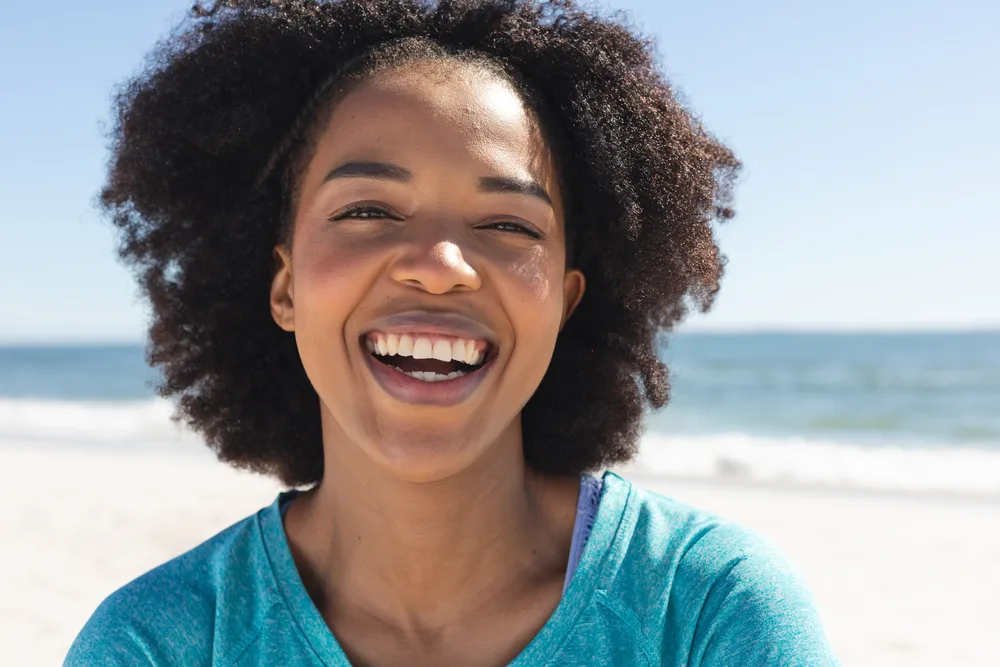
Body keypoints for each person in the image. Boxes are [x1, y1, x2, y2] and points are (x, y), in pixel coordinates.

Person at [65, 0, 838, 664]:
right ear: (286, 285)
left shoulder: (710, 612)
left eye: (507, 222)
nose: (440, 265)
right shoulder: (158, 642)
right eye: (366, 210)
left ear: (567, 300)